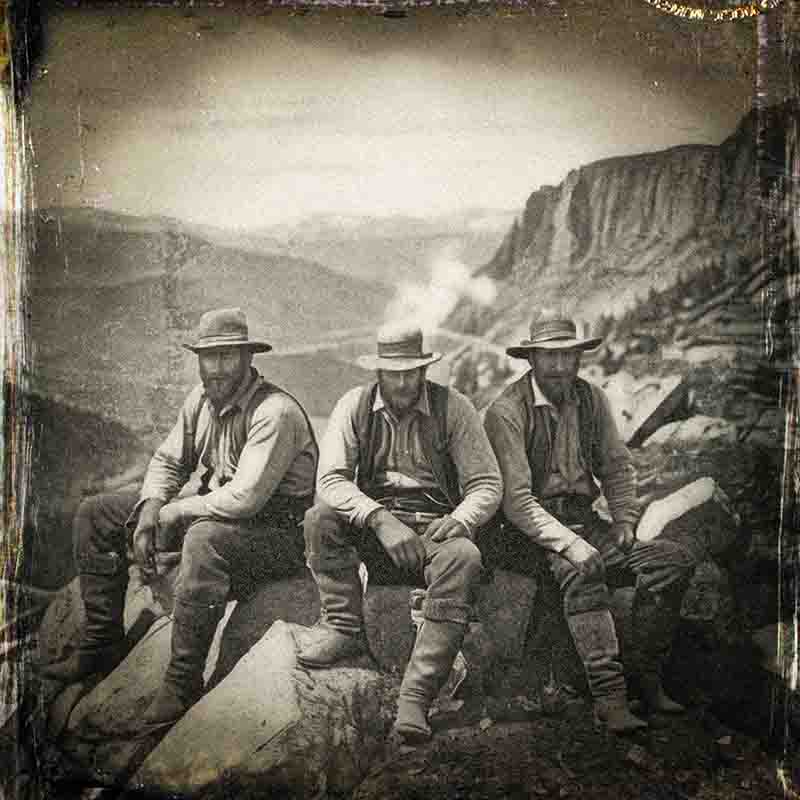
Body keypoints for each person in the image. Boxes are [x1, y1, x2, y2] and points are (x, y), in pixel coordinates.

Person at [41, 308, 319, 727]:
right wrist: (152, 505)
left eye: (229, 357)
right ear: (199, 360)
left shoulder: (274, 412)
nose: (218, 368)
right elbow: (171, 460)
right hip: (222, 518)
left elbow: (245, 498)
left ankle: (181, 682)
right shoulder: (201, 400)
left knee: (203, 539)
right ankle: (101, 642)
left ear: (248, 359)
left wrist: (173, 513)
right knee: (96, 514)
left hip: (277, 536)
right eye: (210, 357)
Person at [482, 311, 697, 733]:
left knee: (671, 562)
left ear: (579, 357)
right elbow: (518, 501)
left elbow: (617, 468)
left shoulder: (590, 399)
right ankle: (609, 697)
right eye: (550, 357)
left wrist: (624, 520)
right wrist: (572, 545)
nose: (560, 366)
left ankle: (646, 677)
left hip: (584, 521)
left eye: (568, 355)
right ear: (532, 359)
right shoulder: (507, 411)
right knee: (583, 570)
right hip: (527, 532)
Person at [298, 321, 502, 744]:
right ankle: (343, 629)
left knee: (464, 558)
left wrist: (462, 519)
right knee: (320, 520)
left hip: (435, 528)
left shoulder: (454, 408)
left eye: (413, 371)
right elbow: (331, 481)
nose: (405, 381)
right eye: (395, 372)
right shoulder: (354, 406)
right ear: (378, 372)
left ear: (425, 370)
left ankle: (416, 696)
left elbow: (487, 483)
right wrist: (378, 519)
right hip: (378, 528)